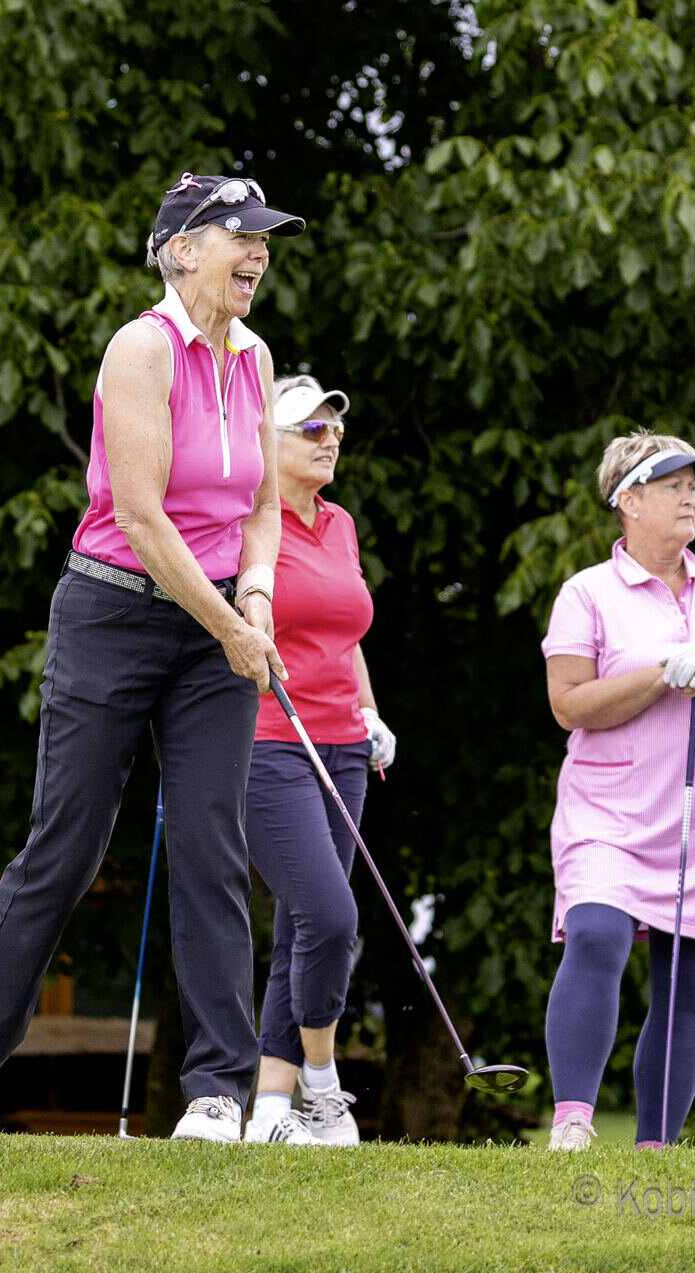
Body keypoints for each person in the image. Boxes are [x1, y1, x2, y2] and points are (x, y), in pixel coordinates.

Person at [0, 172, 306, 1142]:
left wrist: (256, 595)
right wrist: (231, 626)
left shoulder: (255, 355)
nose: (258, 253)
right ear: (181, 250)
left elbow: (262, 505)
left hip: (216, 622)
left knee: (213, 847)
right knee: (68, 845)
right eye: (240, 236)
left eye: (263, 239)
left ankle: (216, 1093)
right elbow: (139, 516)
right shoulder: (141, 349)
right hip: (113, 612)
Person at [541, 430, 695, 1151]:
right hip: (611, 812)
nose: (690, 498)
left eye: (693, 486)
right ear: (629, 501)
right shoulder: (587, 593)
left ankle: (655, 1149)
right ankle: (573, 1123)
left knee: (686, 981)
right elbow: (569, 703)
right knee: (596, 933)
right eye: (672, 485)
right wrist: (662, 675)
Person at [240, 374, 396, 1146]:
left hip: (343, 746)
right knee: (331, 917)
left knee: (307, 925)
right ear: (264, 440)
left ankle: (272, 1109)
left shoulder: (340, 525)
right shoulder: (245, 524)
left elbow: (346, 632)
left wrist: (369, 712)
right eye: (309, 427)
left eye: (334, 427)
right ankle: (325, 1086)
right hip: (269, 741)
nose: (329, 438)